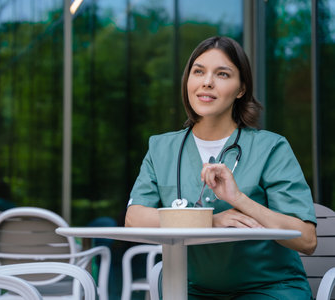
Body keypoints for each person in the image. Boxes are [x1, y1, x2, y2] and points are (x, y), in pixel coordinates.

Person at [125, 36, 317, 299]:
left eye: (223, 74)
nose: (207, 82)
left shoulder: (271, 148)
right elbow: (134, 219)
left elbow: (306, 239)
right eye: (198, 71)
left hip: (268, 289)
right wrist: (210, 222)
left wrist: (238, 199)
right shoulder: (161, 148)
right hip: (191, 289)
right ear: (188, 81)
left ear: (241, 89)